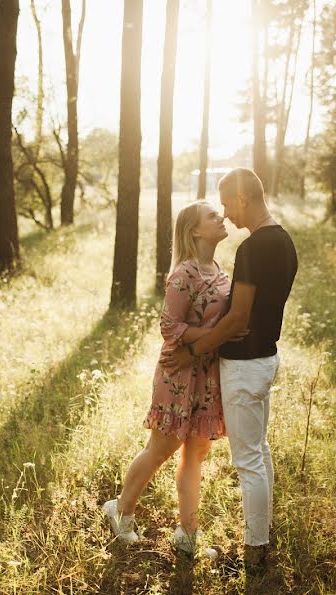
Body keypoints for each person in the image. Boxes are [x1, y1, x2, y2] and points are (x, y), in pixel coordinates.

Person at [161, 167, 298, 573]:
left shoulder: (253, 249)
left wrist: (193, 352)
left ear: (242, 199)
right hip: (267, 358)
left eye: (226, 203)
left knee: (248, 462)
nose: (226, 213)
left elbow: (238, 319)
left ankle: (256, 551)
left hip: (244, 366)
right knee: (261, 451)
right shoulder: (285, 241)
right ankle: (264, 535)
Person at [103, 200, 238, 557]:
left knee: (197, 452)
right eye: (212, 216)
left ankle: (187, 536)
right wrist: (214, 334)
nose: (221, 217)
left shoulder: (219, 269)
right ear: (195, 230)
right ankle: (122, 513)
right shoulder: (185, 273)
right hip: (179, 372)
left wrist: (216, 337)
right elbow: (169, 327)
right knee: (162, 448)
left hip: (208, 374)